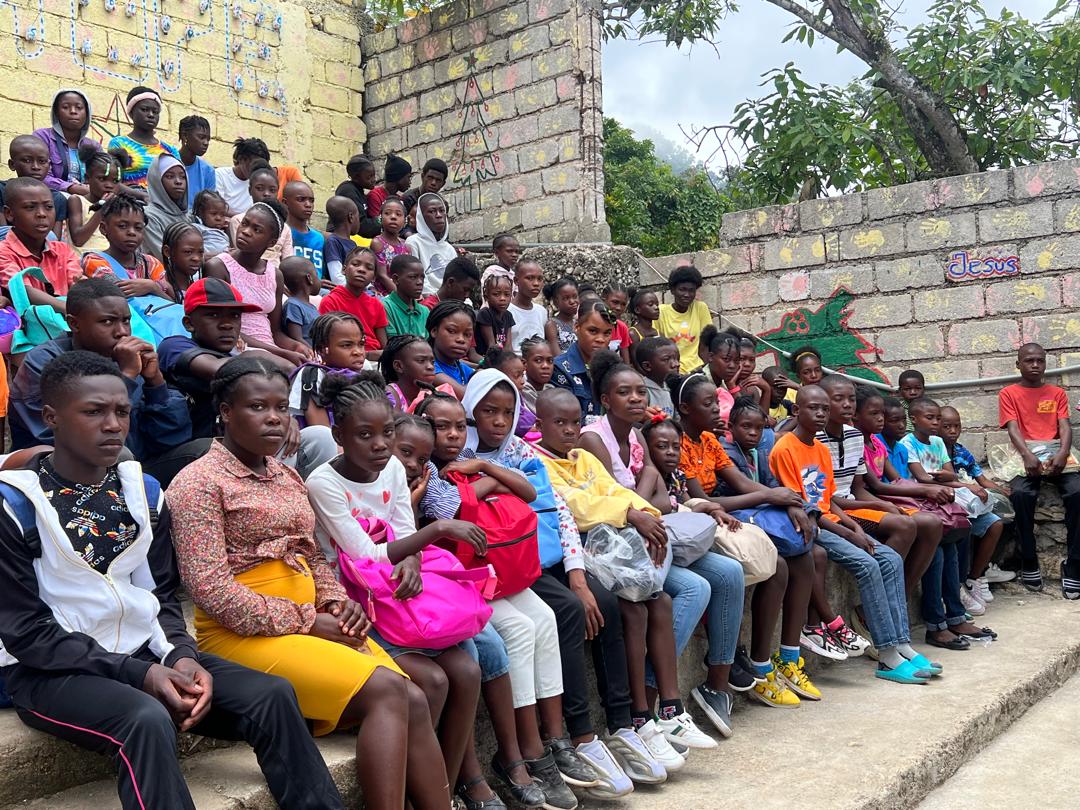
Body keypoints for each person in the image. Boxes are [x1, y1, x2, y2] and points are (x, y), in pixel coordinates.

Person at [0, 350, 345, 810]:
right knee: (143, 719)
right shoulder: (15, 506)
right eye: (93, 412)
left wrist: (181, 656)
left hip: (142, 652)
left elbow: (160, 594)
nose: (112, 425)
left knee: (272, 695)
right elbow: (27, 633)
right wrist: (139, 673)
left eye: (122, 411)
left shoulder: (142, 492)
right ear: (51, 417)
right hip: (49, 670)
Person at [168, 356, 451, 810]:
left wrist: (337, 600)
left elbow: (311, 553)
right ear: (224, 411)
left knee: (416, 698)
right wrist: (305, 619)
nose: (275, 418)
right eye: (258, 407)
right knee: (389, 690)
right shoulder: (198, 483)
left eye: (282, 407)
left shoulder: (285, 475)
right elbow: (210, 588)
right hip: (240, 635)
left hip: (310, 620)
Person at [306, 372, 495, 804]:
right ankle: (419, 794)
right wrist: (439, 530)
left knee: (468, 668)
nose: (378, 445)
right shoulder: (324, 483)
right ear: (338, 435)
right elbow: (362, 555)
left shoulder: (391, 466)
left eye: (387, 433)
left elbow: (401, 529)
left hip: (398, 588)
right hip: (355, 599)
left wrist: (411, 555)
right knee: (430, 681)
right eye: (364, 435)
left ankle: (441, 793)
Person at [413, 392, 582, 810]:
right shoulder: (427, 470)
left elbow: (525, 491)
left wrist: (485, 466)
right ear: (421, 425)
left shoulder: (470, 454)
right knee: (519, 630)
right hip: (462, 578)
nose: (453, 436)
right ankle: (524, 750)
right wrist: (489, 482)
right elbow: (453, 509)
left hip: (495, 570)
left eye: (458, 425)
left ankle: (554, 738)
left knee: (544, 617)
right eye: (441, 426)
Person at [532, 388, 690, 776]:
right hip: (575, 551)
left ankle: (652, 715)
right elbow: (573, 507)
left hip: (605, 545)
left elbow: (615, 491)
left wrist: (643, 512)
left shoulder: (583, 457)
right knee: (615, 607)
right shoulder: (535, 460)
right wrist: (631, 514)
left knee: (661, 600)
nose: (570, 431)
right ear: (539, 425)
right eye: (559, 423)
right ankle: (619, 721)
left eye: (574, 423)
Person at [769, 385, 940, 684]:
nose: (821, 413)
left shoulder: (820, 448)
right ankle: (887, 658)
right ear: (797, 411)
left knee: (890, 559)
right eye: (814, 408)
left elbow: (829, 498)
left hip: (832, 519)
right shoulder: (784, 449)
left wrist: (855, 526)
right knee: (869, 564)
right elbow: (804, 507)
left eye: (824, 408)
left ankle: (901, 644)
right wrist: (848, 533)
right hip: (810, 527)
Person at [668, 372, 816, 706]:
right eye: (708, 404)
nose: (716, 411)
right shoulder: (678, 442)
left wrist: (784, 498)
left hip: (717, 518)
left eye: (716, 403)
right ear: (684, 407)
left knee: (792, 560)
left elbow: (742, 483)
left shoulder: (709, 440)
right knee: (758, 566)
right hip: (695, 519)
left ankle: (768, 661)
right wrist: (772, 498)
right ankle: (733, 652)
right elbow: (700, 499)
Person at [9, 277, 192, 459]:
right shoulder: (45, 363)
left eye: (126, 321)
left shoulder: (128, 357)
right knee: (122, 456)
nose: (122, 331)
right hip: (64, 472)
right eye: (107, 321)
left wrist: (155, 382)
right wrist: (125, 377)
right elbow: (70, 443)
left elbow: (171, 439)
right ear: (74, 323)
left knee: (198, 450)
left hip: (134, 467)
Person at [999, 343, 1080, 596]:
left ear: (1045, 363)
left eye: (1040, 361)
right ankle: (1029, 559)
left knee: (1077, 492)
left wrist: (1063, 454)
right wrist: (1027, 455)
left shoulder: (1056, 393)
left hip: (1057, 449)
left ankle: (1075, 565)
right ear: (1018, 364)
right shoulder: (1009, 393)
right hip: (1026, 451)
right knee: (1021, 495)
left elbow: (1065, 426)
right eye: (1029, 360)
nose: (1035, 365)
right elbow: (1013, 428)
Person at [204, 199, 310, 366]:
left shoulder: (275, 275)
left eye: (257, 229)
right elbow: (223, 327)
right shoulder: (218, 267)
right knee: (290, 369)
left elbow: (275, 333)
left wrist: (297, 346)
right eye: (245, 224)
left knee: (311, 366)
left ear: (271, 242)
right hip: (235, 345)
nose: (245, 231)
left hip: (270, 348)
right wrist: (282, 353)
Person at [158, 276, 266, 441]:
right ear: (189, 324)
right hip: (181, 452)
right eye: (214, 315)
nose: (227, 324)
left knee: (311, 436)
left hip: (223, 446)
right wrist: (260, 356)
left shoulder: (232, 357)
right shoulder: (174, 346)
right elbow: (219, 369)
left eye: (235, 316)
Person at [938, 404, 1013, 598]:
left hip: (965, 504)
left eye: (957, 426)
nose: (953, 431)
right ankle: (959, 583)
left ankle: (975, 578)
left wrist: (1001, 490)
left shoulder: (962, 452)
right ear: (937, 425)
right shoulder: (932, 450)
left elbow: (981, 479)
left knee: (996, 524)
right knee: (964, 526)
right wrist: (967, 487)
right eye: (947, 426)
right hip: (944, 505)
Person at [0, 177, 81, 311]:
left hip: (69, 322)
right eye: (30, 207)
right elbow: (22, 290)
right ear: (9, 213)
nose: (42, 214)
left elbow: (77, 283)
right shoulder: (3, 252)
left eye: (49, 207)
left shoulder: (63, 250)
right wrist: (67, 308)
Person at [80, 194, 172, 301]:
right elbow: (117, 291)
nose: (132, 232)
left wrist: (152, 286)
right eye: (122, 226)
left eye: (138, 228)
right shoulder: (93, 260)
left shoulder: (151, 263)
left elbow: (170, 299)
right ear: (104, 228)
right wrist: (154, 287)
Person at [550, 300, 616, 423]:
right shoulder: (559, 369)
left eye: (607, 333)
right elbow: (568, 420)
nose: (601, 339)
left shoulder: (614, 368)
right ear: (576, 327)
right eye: (593, 331)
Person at [319, 246, 389, 358]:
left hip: (375, 359)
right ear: (344, 270)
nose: (361, 270)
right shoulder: (330, 301)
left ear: (373, 278)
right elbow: (328, 342)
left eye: (369, 268)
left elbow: (384, 346)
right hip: (345, 357)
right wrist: (366, 355)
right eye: (356, 264)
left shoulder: (377, 305)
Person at [108, 87, 180, 191]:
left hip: (163, 205)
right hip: (130, 203)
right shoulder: (119, 144)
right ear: (131, 113)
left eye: (155, 112)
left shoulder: (170, 151)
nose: (151, 115)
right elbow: (113, 181)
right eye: (145, 110)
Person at [3, 135, 75, 237]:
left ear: (49, 166)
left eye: (42, 161)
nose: (36, 167)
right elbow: (2, 233)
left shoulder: (58, 198)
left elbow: (54, 239)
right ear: (12, 164)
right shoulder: (3, 190)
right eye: (27, 160)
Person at [32, 89, 96, 196]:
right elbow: (38, 175)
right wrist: (71, 187)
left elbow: (103, 177)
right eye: (66, 107)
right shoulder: (42, 137)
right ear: (56, 113)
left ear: (87, 113)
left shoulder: (93, 146)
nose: (73, 111)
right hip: (52, 197)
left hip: (88, 198)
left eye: (79, 107)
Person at [228, 163, 294, 262]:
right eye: (259, 188)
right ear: (250, 190)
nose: (266, 194)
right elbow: (241, 252)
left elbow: (288, 260)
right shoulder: (239, 220)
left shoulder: (284, 228)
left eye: (272, 190)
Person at [67, 144, 127, 250]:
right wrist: (103, 208)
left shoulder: (120, 207)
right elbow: (78, 240)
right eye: (102, 179)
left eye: (115, 181)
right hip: (84, 261)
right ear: (87, 178)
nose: (109, 185)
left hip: (111, 261)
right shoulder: (77, 201)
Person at [656, 266, 710, 374]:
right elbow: (656, 346)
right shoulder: (661, 312)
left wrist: (706, 368)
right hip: (672, 371)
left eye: (691, 290)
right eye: (682, 290)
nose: (687, 295)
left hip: (698, 369)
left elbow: (706, 343)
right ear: (672, 290)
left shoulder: (700, 308)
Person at [407, 192, 457, 295]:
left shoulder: (449, 249)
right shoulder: (414, 242)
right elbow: (416, 280)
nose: (439, 215)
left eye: (442, 211)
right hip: (427, 298)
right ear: (422, 217)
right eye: (432, 211)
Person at [142, 154, 189, 261]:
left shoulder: (187, 215)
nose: (178, 181)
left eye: (183, 176)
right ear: (157, 181)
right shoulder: (148, 216)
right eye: (170, 176)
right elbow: (165, 257)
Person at [428, 301, 477, 397]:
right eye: (452, 331)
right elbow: (464, 395)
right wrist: (479, 375)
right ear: (434, 331)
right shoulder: (429, 368)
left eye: (467, 334)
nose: (461, 340)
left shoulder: (461, 368)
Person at [282, 181, 326, 288]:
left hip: (317, 289)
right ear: (285, 203)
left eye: (311, 201)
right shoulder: (281, 232)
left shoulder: (318, 238)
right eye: (301, 200)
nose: (308, 205)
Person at [381, 333, 437, 412]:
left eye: (432, 362)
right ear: (398, 366)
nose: (430, 367)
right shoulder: (390, 396)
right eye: (421, 361)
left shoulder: (429, 396)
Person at [215, 137, 270, 215]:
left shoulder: (259, 182)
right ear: (241, 159)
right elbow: (217, 208)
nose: (257, 169)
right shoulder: (220, 175)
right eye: (254, 164)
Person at [383, 253, 430, 338]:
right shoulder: (386, 307)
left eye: (422, 277)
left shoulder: (425, 311)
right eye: (413, 277)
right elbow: (391, 344)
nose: (420, 282)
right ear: (396, 279)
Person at [371, 197, 411, 295]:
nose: (393, 217)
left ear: (405, 220)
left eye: (398, 214)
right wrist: (401, 296)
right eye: (387, 213)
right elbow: (382, 275)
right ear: (380, 217)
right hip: (384, 295)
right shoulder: (378, 243)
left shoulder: (407, 246)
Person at [335, 154, 380, 239]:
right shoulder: (348, 190)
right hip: (342, 239)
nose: (374, 180)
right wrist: (382, 220)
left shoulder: (359, 191)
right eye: (369, 177)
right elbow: (361, 226)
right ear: (356, 177)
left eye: (374, 175)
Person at [633, 336, 679, 418]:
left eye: (676, 359)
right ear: (647, 366)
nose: (675, 364)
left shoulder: (671, 388)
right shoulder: (642, 392)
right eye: (666, 359)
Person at [161, 221, 205, 304]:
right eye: (188, 252)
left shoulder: (198, 284)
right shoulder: (162, 287)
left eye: (200, 252)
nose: (196, 258)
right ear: (167, 252)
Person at [281, 256, 321, 346]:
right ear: (309, 278)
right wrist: (316, 354)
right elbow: (296, 338)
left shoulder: (311, 306)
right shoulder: (293, 305)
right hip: (309, 356)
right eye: (316, 275)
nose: (319, 280)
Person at [476, 265, 515, 356]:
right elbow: (491, 346)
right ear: (487, 296)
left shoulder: (508, 316)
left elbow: (508, 346)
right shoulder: (485, 314)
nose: (502, 298)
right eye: (496, 294)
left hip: (501, 357)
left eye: (507, 294)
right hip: (487, 357)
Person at [177, 115, 215, 207]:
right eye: (201, 137)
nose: (206, 143)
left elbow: (208, 206)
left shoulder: (208, 171)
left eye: (208, 139)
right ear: (185, 135)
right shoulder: (167, 164)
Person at [324, 195, 362, 286]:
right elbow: (336, 277)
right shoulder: (333, 242)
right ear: (351, 217)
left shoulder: (352, 244)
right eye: (358, 217)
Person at [368, 153, 413, 222]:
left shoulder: (399, 199)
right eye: (408, 177)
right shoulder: (375, 195)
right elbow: (378, 223)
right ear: (399, 177)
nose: (410, 182)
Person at [189, 188, 231, 257]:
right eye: (213, 214)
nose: (218, 218)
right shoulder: (196, 228)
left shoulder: (224, 233)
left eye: (222, 215)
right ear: (200, 213)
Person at [544, 276, 579, 355]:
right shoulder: (552, 325)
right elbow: (557, 356)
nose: (572, 301)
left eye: (575, 296)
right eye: (566, 298)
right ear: (556, 302)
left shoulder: (578, 323)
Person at [601, 284, 632, 363]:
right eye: (615, 302)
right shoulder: (593, 325)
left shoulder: (622, 327)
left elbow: (626, 363)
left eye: (623, 304)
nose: (619, 308)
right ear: (603, 300)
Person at [521, 337, 554, 413]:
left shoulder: (550, 389)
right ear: (524, 363)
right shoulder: (523, 391)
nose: (545, 366)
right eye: (538, 360)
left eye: (550, 361)